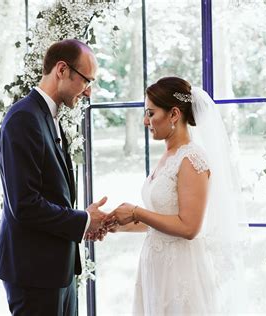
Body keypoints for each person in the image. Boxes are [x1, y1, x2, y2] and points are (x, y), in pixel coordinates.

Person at [104, 77, 246, 315]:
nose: (145, 120)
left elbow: (189, 227)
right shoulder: (168, 155)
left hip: (180, 271)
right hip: (155, 269)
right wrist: (118, 225)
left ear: (174, 114)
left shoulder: (191, 159)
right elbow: (161, 219)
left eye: (151, 113)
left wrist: (136, 212)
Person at [0, 39, 107, 316]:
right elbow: (25, 204)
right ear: (62, 69)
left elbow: (52, 194)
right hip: (34, 274)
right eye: (86, 80)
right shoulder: (23, 118)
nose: (88, 91)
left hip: (57, 269)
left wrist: (83, 222)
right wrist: (84, 220)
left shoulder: (48, 116)